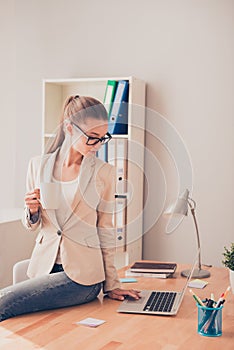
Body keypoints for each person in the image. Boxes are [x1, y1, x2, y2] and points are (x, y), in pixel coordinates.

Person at [0, 95, 140, 322]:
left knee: (3, 301)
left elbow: (105, 231)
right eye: (92, 138)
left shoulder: (104, 173)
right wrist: (32, 211)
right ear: (69, 128)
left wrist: (112, 284)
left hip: (82, 278)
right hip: (43, 269)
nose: (98, 145)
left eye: (103, 138)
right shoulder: (38, 165)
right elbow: (33, 226)